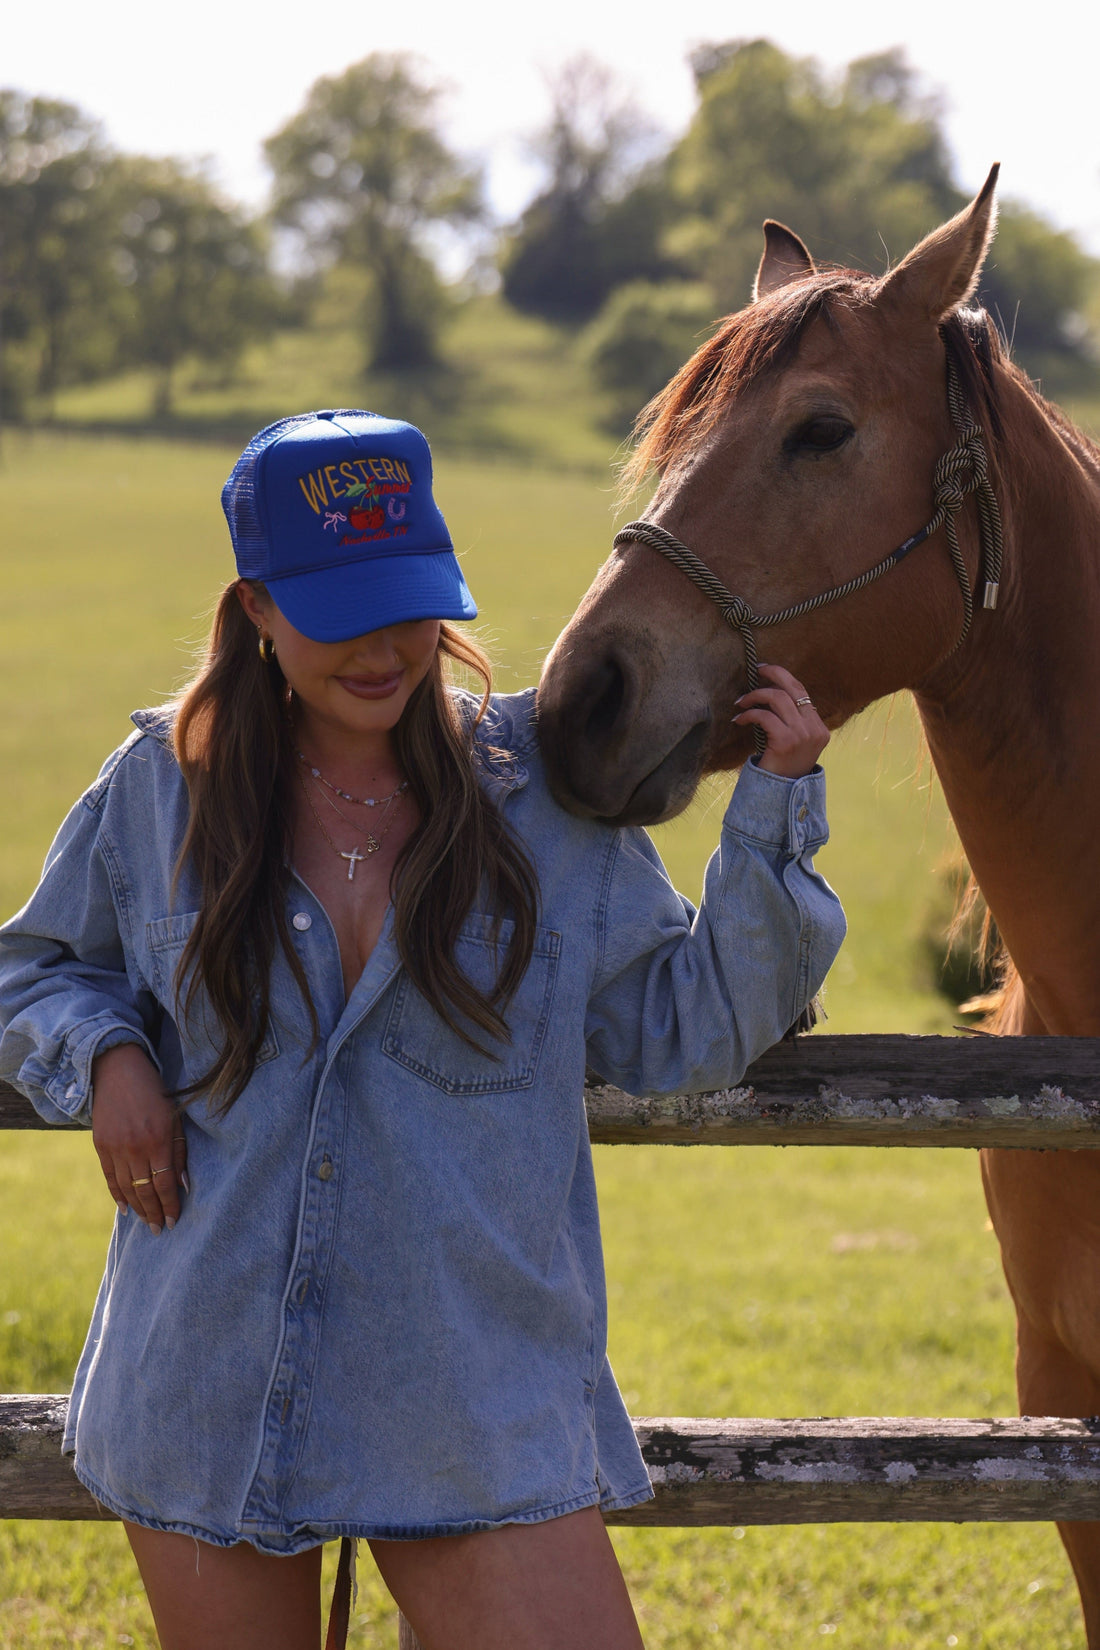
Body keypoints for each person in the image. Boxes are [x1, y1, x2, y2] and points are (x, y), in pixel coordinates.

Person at [0, 409, 845, 1650]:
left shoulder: (545, 802)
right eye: (340, 611)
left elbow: (680, 1035)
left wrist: (772, 814)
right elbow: (29, 970)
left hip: (467, 1399)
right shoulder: (160, 788)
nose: (385, 648)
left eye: (407, 605)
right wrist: (106, 1056)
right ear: (257, 608)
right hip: (209, 1381)